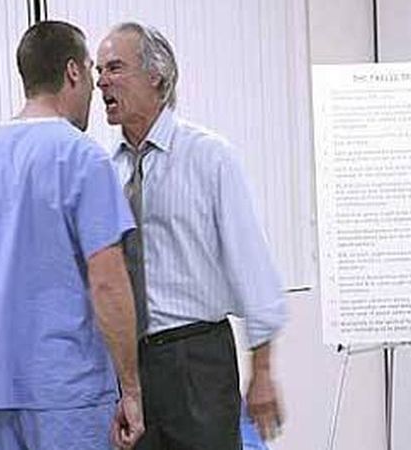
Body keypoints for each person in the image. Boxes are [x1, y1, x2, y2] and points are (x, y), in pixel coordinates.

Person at [0, 20, 144, 450]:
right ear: (72, 72)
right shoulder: (83, 159)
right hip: (68, 394)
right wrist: (132, 388)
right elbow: (107, 281)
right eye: (91, 71)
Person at [95, 22, 287, 449]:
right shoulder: (107, 171)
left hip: (197, 358)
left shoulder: (209, 157)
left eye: (115, 68)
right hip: (131, 367)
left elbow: (252, 265)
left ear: (156, 76)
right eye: (98, 71)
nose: (102, 81)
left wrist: (263, 371)